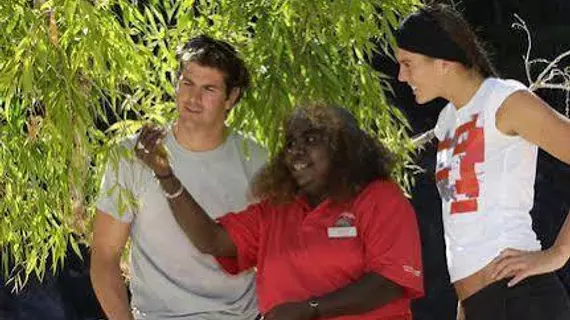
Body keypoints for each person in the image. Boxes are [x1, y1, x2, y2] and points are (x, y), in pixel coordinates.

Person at [135, 103, 424, 320]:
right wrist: (165, 176)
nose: (296, 151)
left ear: (343, 148)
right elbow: (211, 239)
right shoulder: (276, 211)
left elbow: (390, 282)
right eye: (291, 143)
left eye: (310, 140)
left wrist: (310, 309)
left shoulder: (379, 198)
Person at [394, 4, 570, 320]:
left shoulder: (505, 101)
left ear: (442, 62)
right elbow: (464, 222)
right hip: (479, 304)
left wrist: (559, 253)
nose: (401, 76)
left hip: (521, 298)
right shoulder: (447, 121)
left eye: (408, 64)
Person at [90, 35, 267, 320]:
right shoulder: (130, 155)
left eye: (209, 89)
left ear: (231, 98)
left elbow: (276, 255)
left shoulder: (258, 161)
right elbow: (104, 255)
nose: (193, 98)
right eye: (187, 83)